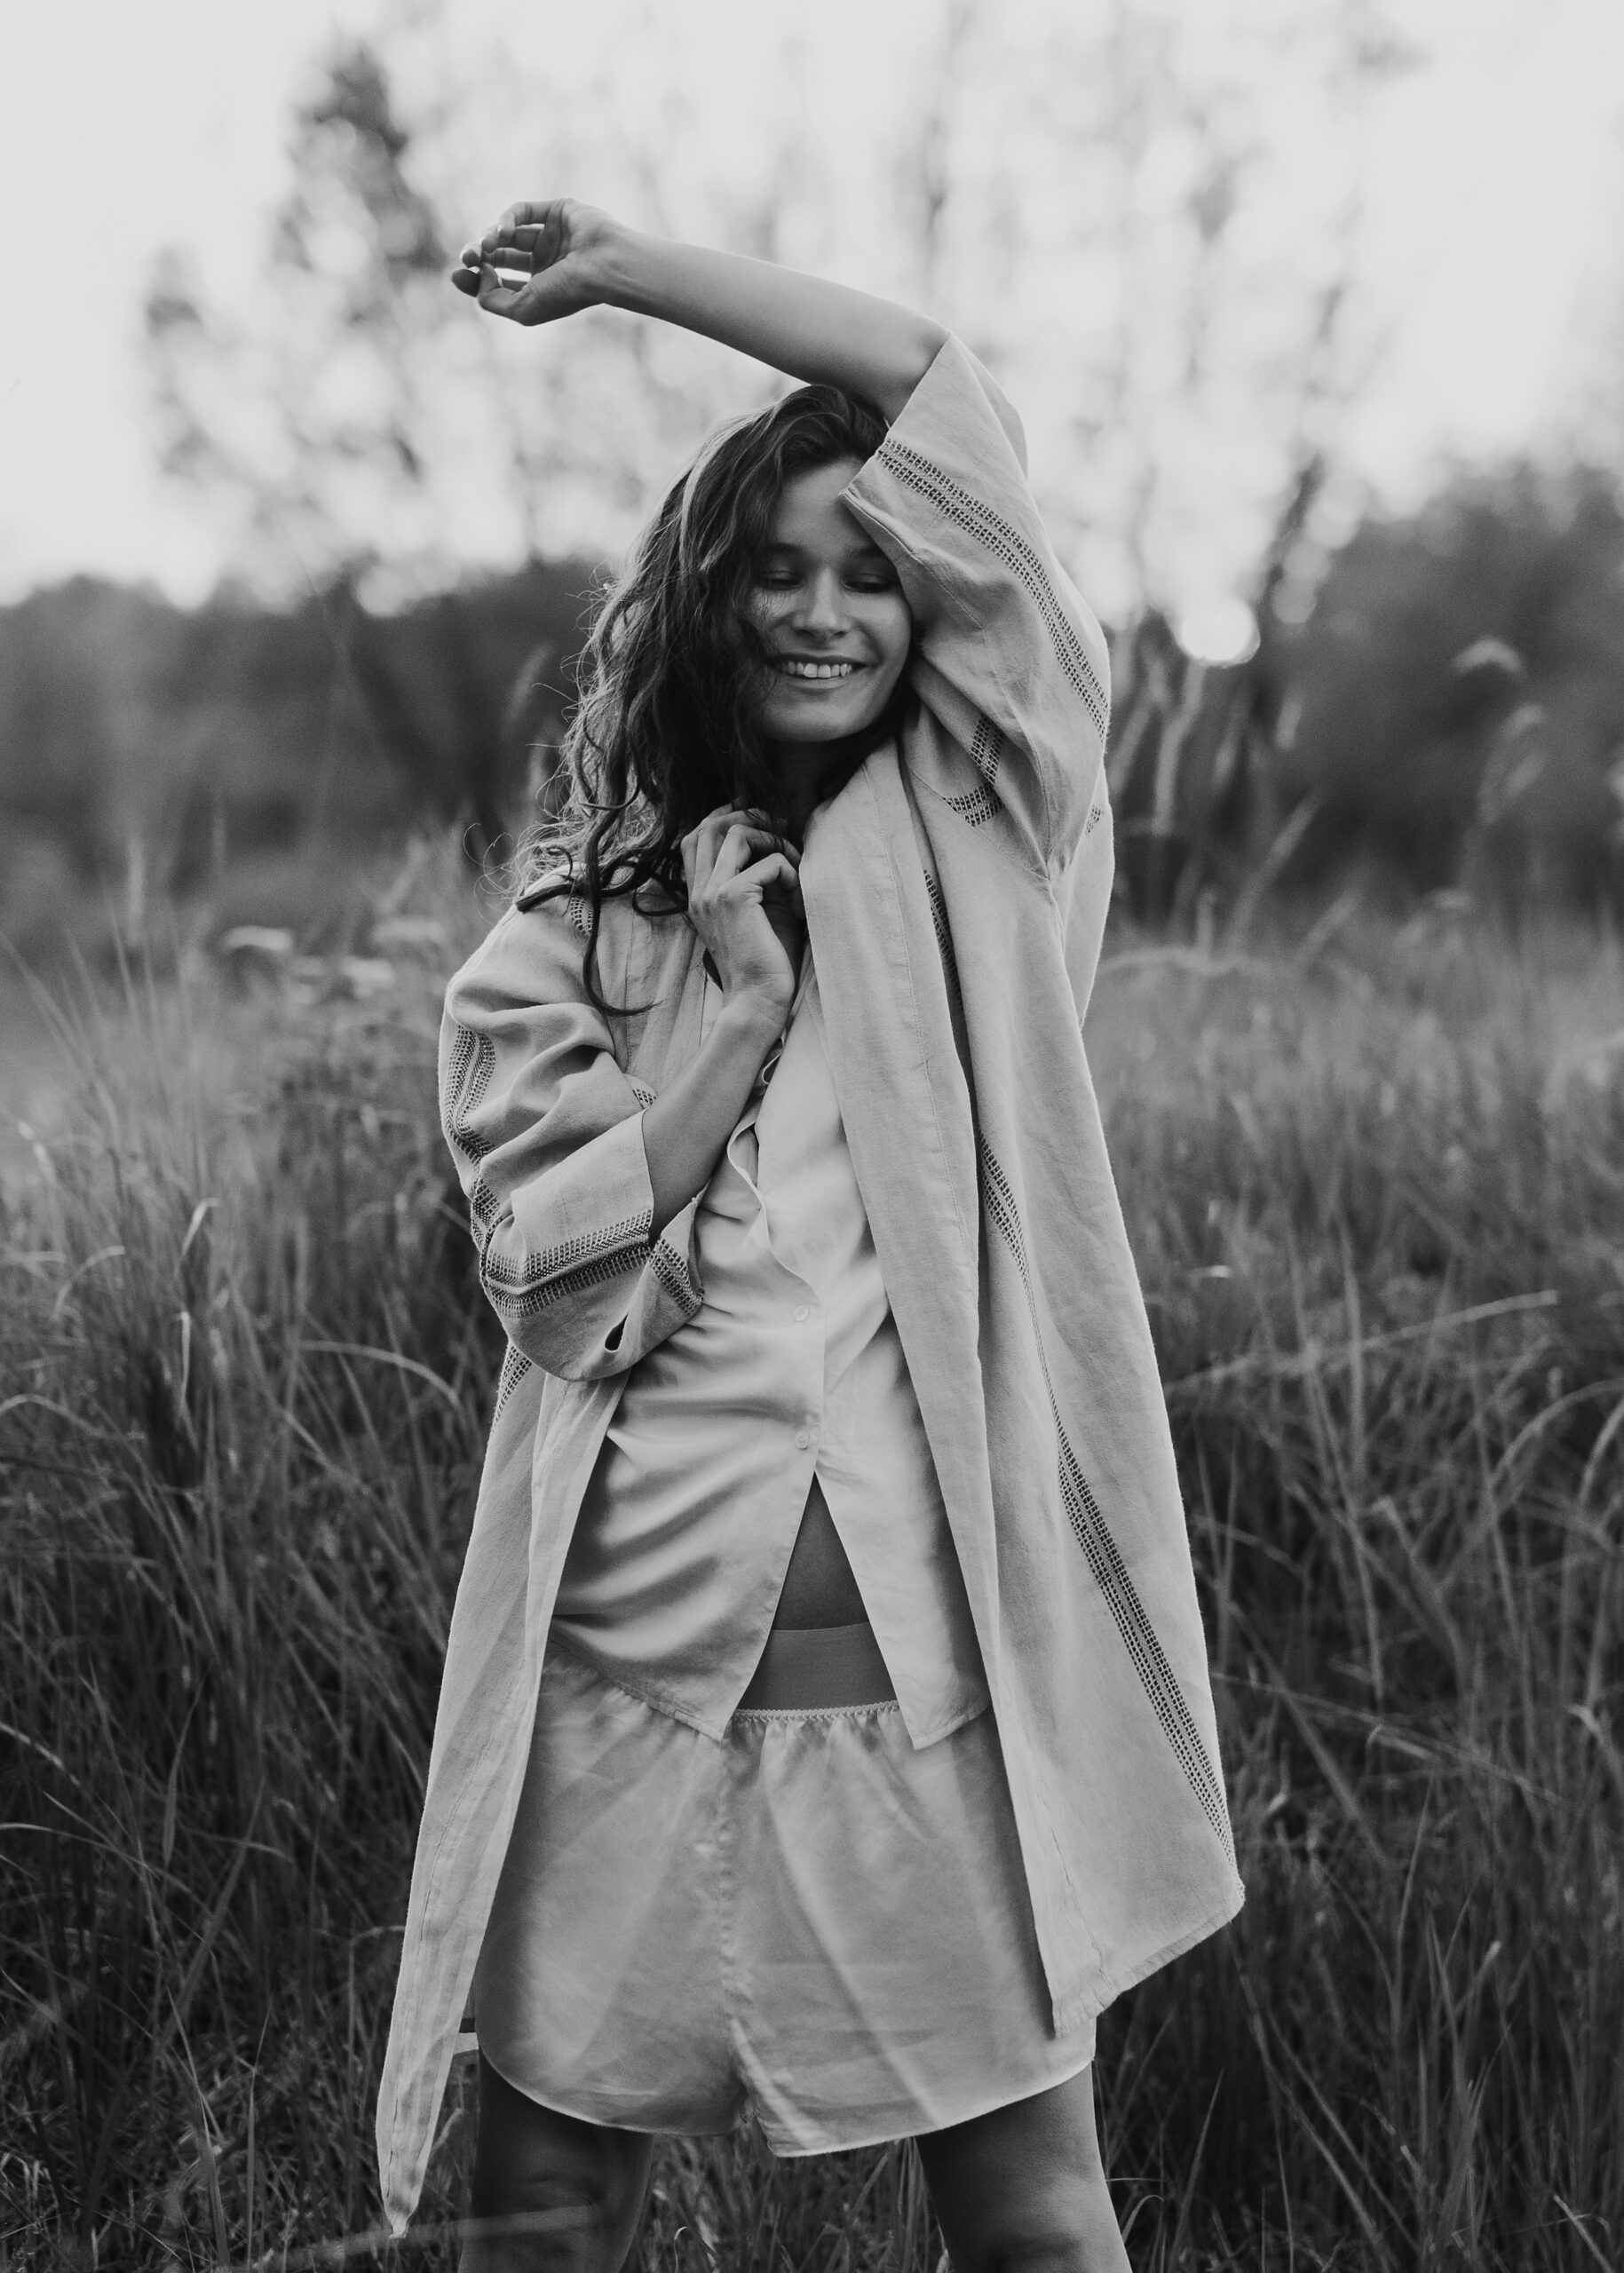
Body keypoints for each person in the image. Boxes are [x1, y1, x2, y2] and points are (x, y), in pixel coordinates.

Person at [376, 200, 1245, 2273]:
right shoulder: (558, 949)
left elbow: (945, 391)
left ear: (933, 607)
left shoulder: (986, 841)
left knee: (1036, 2218)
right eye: (778, 567)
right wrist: (727, 1026)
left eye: (870, 569)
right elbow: (554, 1281)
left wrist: (624, 271)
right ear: (709, 596)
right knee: (544, 2212)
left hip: (931, 1693)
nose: (826, 610)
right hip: (624, 1678)